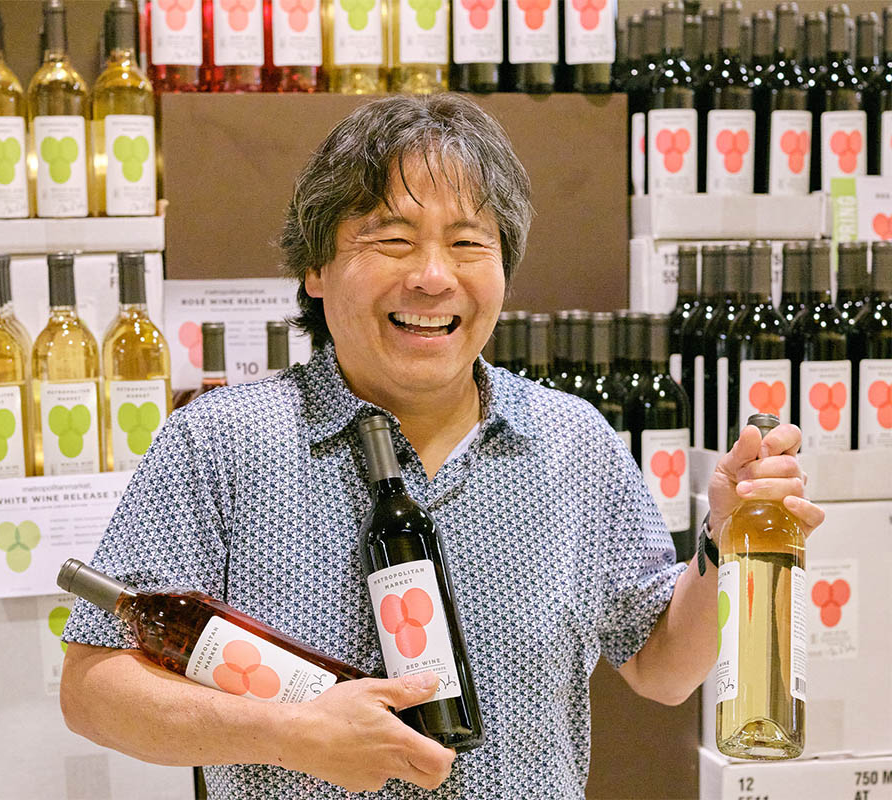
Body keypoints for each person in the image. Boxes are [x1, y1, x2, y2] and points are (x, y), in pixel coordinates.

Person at [60, 94, 824, 799]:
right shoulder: (221, 445)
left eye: (468, 243)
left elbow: (661, 668)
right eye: (392, 239)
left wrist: (724, 545)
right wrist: (291, 734)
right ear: (316, 268)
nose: (433, 277)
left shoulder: (572, 442)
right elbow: (93, 688)